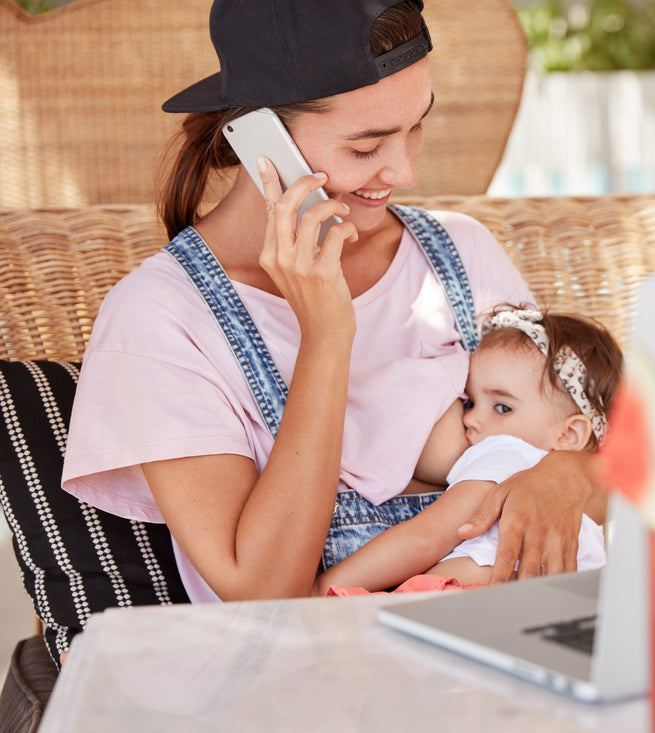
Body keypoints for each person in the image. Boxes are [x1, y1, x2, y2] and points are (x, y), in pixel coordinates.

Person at [59, 0, 605, 605]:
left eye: (415, 127)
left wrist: (564, 475)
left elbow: (621, 464)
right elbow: (265, 592)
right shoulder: (160, 318)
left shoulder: (460, 251)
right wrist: (326, 334)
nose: (404, 170)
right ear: (258, 140)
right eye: (367, 147)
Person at [313, 307, 623, 593]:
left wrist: (324, 588)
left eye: (502, 407)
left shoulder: (507, 454)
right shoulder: (571, 498)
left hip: (463, 601)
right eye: (471, 401)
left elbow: (425, 539)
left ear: (569, 433)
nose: (471, 418)